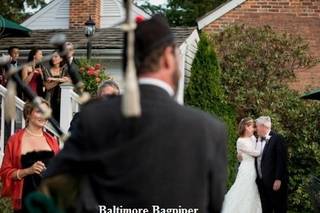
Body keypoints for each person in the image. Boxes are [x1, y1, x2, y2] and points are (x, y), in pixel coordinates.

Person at [42, 14, 228, 213]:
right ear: (167, 58)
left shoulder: (94, 118)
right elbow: (214, 206)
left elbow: (49, 195)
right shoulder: (209, 130)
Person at [0, 100, 60, 213]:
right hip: (25, 203)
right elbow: (5, 172)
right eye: (39, 111)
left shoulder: (52, 141)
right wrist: (28, 171)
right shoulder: (15, 140)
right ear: (28, 114)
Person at [222, 117, 262, 213]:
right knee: (243, 189)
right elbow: (256, 153)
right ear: (246, 127)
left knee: (253, 190)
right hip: (246, 168)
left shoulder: (252, 138)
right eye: (252, 127)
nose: (254, 129)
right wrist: (262, 143)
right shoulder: (240, 141)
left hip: (254, 167)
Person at [255, 116, 288, 213]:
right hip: (262, 182)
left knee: (279, 208)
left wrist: (278, 179)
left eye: (257, 126)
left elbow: (281, 160)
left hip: (274, 182)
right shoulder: (258, 140)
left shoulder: (277, 139)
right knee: (266, 208)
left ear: (263, 126)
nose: (256, 129)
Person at [44, 51, 71, 122]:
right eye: (52, 57)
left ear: (61, 59)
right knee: (50, 120)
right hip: (50, 99)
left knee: (62, 120)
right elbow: (47, 86)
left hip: (62, 98)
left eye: (56, 56)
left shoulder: (65, 69)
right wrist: (60, 80)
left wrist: (53, 79)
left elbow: (68, 80)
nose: (53, 58)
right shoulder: (47, 70)